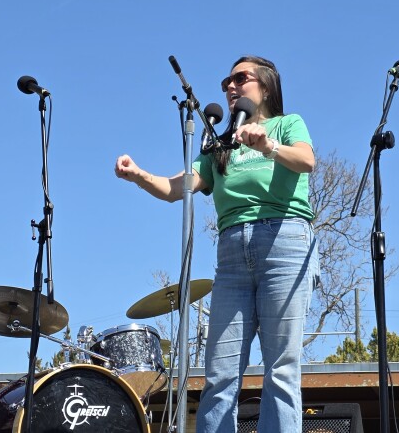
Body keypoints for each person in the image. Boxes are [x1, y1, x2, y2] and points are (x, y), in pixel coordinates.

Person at [114, 55, 319, 432]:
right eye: (226, 80)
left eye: (240, 78)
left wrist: (268, 145)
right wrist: (140, 176)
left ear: (267, 85)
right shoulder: (218, 143)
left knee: (281, 368)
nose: (230, 86)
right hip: (231, 253)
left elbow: (306, 161)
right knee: (220, 371)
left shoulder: (288, 123)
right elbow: (179, 187)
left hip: (284, 242)